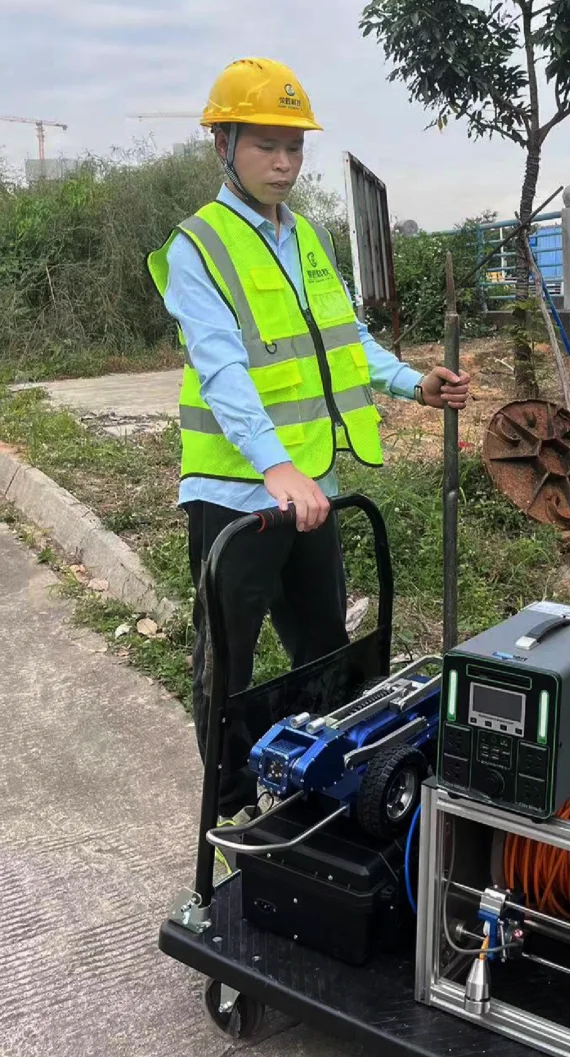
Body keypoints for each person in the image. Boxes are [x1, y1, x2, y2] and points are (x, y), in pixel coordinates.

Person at [148, 57, 469, 829]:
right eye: (267, 144)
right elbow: (223, 368)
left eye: (294, 145)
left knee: (325, 648)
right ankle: (231, 814)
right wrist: (275, 465)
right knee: (226, 664)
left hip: (310, 488)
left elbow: (345, 338)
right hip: (236, 497)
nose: (284, 162)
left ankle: (318, 789)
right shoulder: (198, 245)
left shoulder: (310, 237)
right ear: (223, 143)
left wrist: (411, 382)